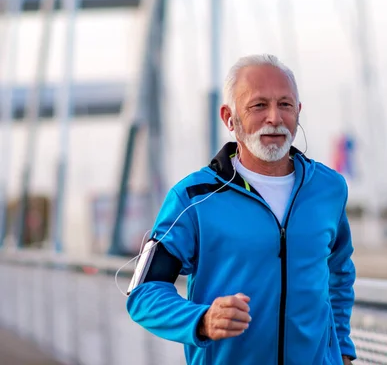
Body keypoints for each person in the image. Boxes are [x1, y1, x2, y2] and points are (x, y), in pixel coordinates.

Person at [126, 54, 357, 364]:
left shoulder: (328, 188)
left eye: (285, 105)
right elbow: (144, 293)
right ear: (229, 118)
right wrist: (202, 320)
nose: (274, 118)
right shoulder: (194, 197)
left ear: (298, 112)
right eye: (259, 105)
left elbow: (339, 273)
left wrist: (342, 349)